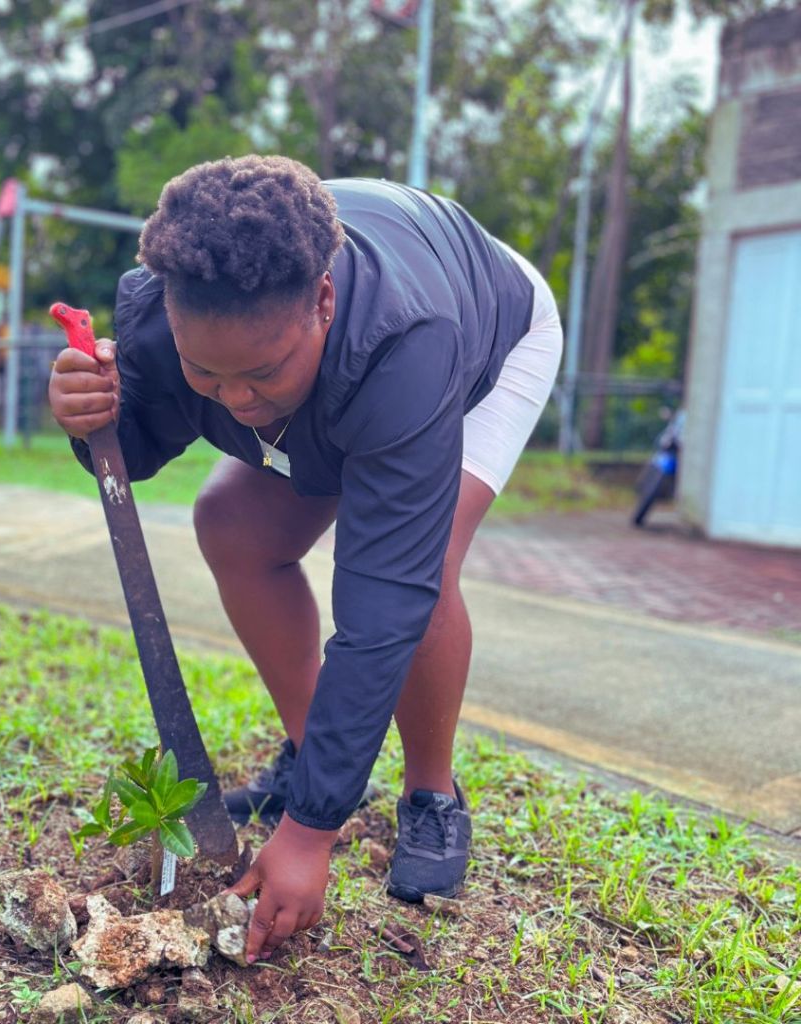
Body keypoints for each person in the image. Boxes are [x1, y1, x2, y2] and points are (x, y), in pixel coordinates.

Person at [48, 155, 563, 963]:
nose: (238, 400)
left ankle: (431, 794)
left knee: (422, 580)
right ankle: (309, 759)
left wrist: (310, 836)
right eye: (205, 373)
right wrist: (90, 420)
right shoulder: (172, 306)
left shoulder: (409, 340)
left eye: (259, 372)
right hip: (344, 368)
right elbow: (137, 442)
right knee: (232, 524)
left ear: (321, 299)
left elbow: (383, 599)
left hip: (484, 338)